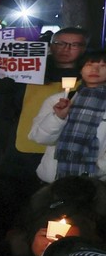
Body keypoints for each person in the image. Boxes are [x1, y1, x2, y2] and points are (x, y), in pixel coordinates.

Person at [27, 47, 106, 182]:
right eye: (89, 65)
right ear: (81, 69)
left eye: (103, 66)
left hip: (95, 182)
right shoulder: (59, 100)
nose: (95, 70)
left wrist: (100, 169)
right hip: (54, 179)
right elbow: (40, 138)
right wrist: (58, 117)